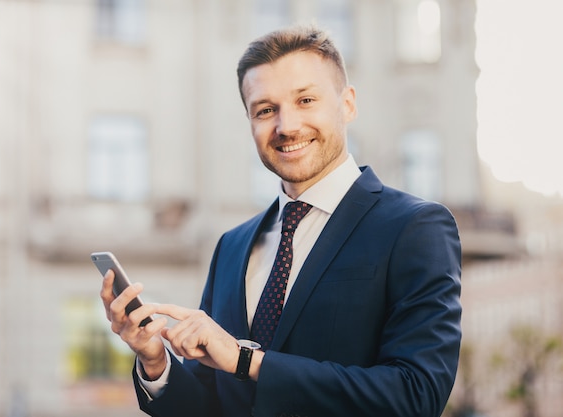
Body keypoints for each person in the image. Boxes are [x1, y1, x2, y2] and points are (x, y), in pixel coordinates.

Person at [100, 24, 462, 417]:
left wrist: (247, 362)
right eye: (266, 110)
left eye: (305, 100)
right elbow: (211, 407)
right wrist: (155, 361)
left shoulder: (415, 228)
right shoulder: (232, 247)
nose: (286, 126)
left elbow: (417, 395)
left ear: (348, 105)